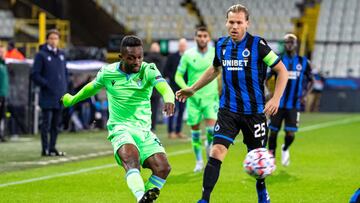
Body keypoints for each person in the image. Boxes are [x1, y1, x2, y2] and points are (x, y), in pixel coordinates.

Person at [176, 4, 288, 203]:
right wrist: (193, 88)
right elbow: (214, 69)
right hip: (228, 110)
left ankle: (262, 192)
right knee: (216, 151)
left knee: (258, 160)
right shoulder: (221, 45)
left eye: (239, 22)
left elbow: (282, 71)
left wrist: (276, 98)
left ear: (247, 23)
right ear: (226, 23)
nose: (234, 26)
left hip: (254, 113)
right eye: (231, 22)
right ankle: (204, 199)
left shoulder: (258, 45)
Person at [61, 35, 175, 203]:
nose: (137, 62)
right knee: (131, 159)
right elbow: (90, 89)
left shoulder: (148, 69)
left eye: (139, 57)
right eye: (131, 58)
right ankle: (139, 198)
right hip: (120, 128)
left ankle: (146, 199)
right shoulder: (108, 73)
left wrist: (169, 99)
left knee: (163, 168)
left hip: (144, 131)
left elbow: (164, 87)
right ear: (121, 57)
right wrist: (72, 99)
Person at [175, 26, 219, 172]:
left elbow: (220, 72)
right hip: (193, 99)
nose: (202, 38)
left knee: (212, 130)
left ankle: (209, 144)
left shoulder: (215, 53)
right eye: (199, 36)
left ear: (209, 38)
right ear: (195, 38)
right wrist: (186, 89)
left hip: (210, 97)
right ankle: (199, 161)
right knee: (195, 132)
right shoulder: (187, 55)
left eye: (205, 36)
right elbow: (178, 75)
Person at [267, 33, 313, 166]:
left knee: (291, 134)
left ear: (296, 44)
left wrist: (305, 95)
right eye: (286, 42)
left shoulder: (303, 62)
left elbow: (311, 80)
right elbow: (266, 78)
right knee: (273, 132)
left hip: (294, 104)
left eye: (291, 42)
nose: (289, 44)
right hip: (278, 103)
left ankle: (285, 148)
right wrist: (270, 93)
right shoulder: (278, 60)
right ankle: (271, 159)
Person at [31, 29, 68, 156]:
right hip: (47, 95)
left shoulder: (62, 55)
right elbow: (35, 75)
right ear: (47, 39)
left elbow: (65, 74)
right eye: (51, 38)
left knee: (56, 125)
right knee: (46, 124)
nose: (53, 40)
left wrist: (65, 88)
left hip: (60, 96)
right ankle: (44, 149)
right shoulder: (41, 55)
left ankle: (52, 147)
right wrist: (47, 84)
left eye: (56, 38)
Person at [163, 38, 188, 139]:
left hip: (184, 89)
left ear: (185, 46)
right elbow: (166, 71)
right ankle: (170, 131)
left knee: (181, 111)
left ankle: (178, 131)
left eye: (184, 45)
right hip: (173, 88)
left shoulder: (188, 57)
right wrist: (173, 78)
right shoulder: (172, 57)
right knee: (172, 110)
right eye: (181, 45)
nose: (182, 47)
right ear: (179, 46)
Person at [144, 42, 166, 132]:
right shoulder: (163, 60)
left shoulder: (145, 59)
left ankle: (145, 126)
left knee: (145, 109)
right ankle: (152, 127)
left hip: (146, 88)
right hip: (157, 87)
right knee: (154, 109)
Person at [0, 44, 9, 142]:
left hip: (3, 94)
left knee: (2, 116)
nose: (1, 53)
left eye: (3, 51)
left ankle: (1, 134)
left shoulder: (3, 64)